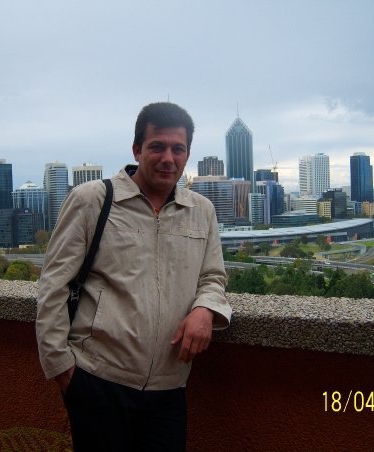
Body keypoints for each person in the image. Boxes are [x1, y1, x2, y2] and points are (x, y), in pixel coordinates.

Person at [36, 102, 231, 451]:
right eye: (157, 146)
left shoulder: (202, 211)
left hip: (169, 388)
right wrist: (62, 368)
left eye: (178, 149)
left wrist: (205, 309)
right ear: (137, 150)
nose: (168, 158)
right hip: (98, 380)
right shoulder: (93, 200)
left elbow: (213, 277)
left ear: (187, 155)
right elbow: (54, 285)